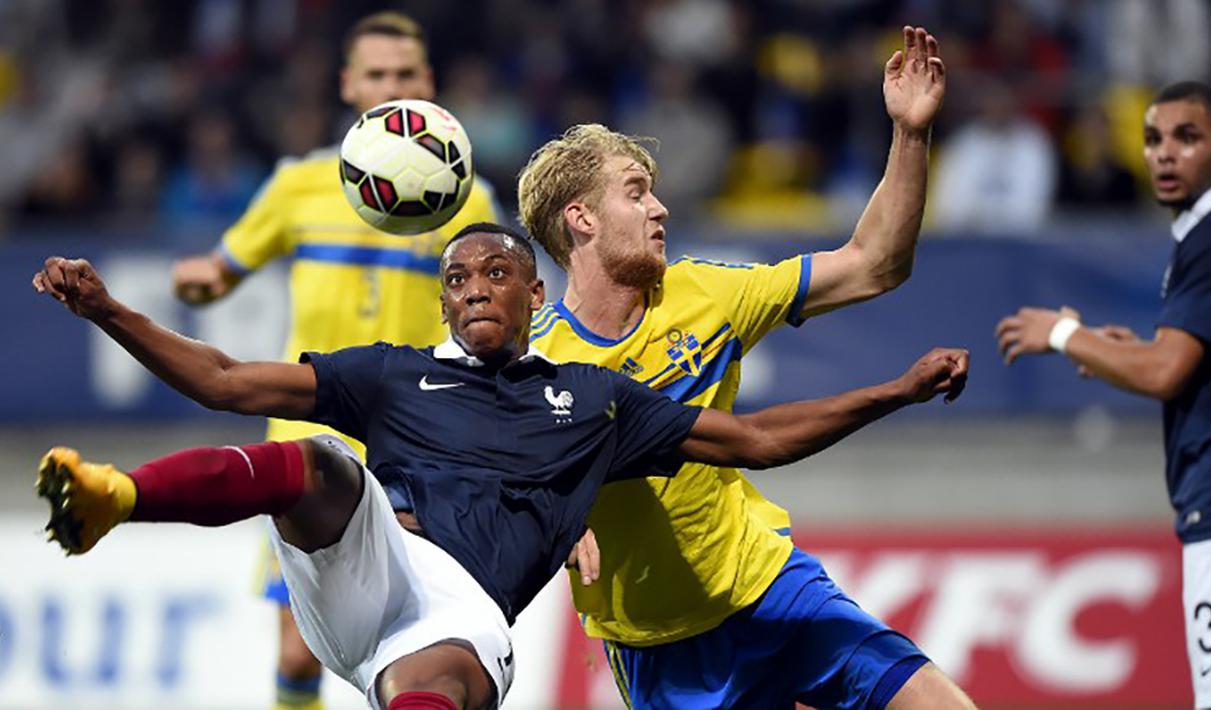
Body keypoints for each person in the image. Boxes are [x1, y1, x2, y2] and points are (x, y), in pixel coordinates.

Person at [32, 224, 970, 710]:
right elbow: (228, 378)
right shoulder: (392, 376)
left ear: (533, 289)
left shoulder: (595, 401)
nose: (473, 286)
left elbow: (758, 438)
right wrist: (109, 310)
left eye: (493, 273)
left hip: (457, 611)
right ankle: (118, 495)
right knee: (311, 460)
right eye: (456, 279)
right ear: (442, 303)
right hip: (375, 561)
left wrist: (893, 390)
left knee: (433, 684)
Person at [516, 25, 975, 708]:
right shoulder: (538, 366)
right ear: (579, 219)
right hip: (661, 649)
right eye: (636, 192)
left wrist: (909, 135)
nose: (659, 206)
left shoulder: (705, 293)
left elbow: (874, 264)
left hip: (772, 588)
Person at [171, 12, 501, 709]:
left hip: (418, 449)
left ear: (428, 84)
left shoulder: (464, 193)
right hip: (307, 442)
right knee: (297, 649)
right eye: (376, 74)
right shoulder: (298, 186)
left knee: (414, 652)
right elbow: (223, 270)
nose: (390, 86)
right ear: (349, 84)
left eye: (404, 74)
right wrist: (193, 280)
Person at [995, 81, 1211, 710]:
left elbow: (1165, 373)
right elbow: (1191, 363)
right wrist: (1126, 350)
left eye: (1187, 137)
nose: (1164, 154)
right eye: (1153, 139)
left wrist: (1065, 334)